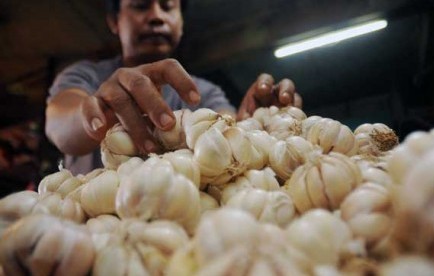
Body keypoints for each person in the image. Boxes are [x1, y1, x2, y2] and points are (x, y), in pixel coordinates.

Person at [46, 0, 301, 175]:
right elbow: (59, 127)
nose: (156, 16)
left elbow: (227, 127)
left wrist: (253, 126)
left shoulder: (203, 91)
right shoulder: (85, 75)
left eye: (168, 6)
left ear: (180, 22)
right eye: (141, 5)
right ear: (114, 21)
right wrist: (97, 115)